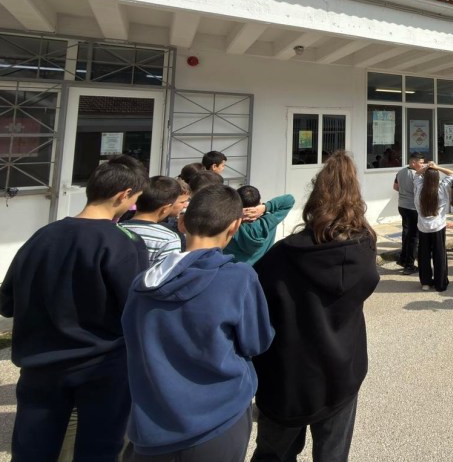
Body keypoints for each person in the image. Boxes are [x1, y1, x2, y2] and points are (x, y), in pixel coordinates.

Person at [0, 155, 149, 461]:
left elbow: (7, 303)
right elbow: (136, 311)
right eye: (134, 198)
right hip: (102, 368)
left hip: (39, 365)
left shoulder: (42, 236)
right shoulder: (124, 242)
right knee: (99, 448)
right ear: (123, 195)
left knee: (31, 450)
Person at [121, 185, 275, 460]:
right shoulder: (239, 277)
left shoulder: (142, 284)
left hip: (153, 423)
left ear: (182, 222)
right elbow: (257, 342)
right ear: (235, 226)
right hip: (221, 419)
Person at [251, 152, 379, 462]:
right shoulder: (364, 250)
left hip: (287, 375)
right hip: (341, 372)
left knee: (272, 454)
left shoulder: (282, 255)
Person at [120, 175, 187, 264]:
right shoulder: (169, 239)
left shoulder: (116, 229)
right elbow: (166, 270)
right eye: (182, 202)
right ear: (165, 209)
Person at [225, 186, 296, 265]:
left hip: (230, 270)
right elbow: (289, 200)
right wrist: (265, 207)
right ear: (259, 204)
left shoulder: (228, 225)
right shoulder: (268, 221)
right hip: (261, 270)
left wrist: (236, 212)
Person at [413, 161, 453, 291]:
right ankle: (440, 283)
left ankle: (425, 283)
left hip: (423, 227)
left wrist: (426, 167)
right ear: (437, 178)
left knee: (424, 255)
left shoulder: (419, 188)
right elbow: (452, 174)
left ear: (425, 177)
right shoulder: (441, 189)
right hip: (438, 226)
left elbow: (416, 174)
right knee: (439, 254)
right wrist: (436, 167)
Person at [393, 153, 425, 274]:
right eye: (420, 163)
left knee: (406, 233)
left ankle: (403, 259)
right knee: (414, 237)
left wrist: (404, 192)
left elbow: (395, 187)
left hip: (402, 206)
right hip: (413, 208)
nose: (422, 165)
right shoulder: (417, 175)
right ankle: (409, 265)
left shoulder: (400, 172)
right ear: (413, 162)